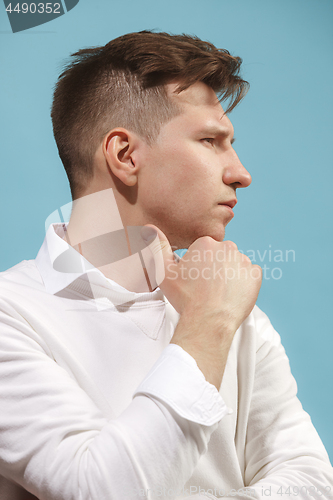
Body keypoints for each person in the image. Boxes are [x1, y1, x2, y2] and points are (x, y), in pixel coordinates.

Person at [0, 30, 332, 500]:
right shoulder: (10, 316)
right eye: (210, 141)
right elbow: (101, 490)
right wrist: (207, 327)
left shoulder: (235, 312)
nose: (241, 172)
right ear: (124, 155)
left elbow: (313, 481)